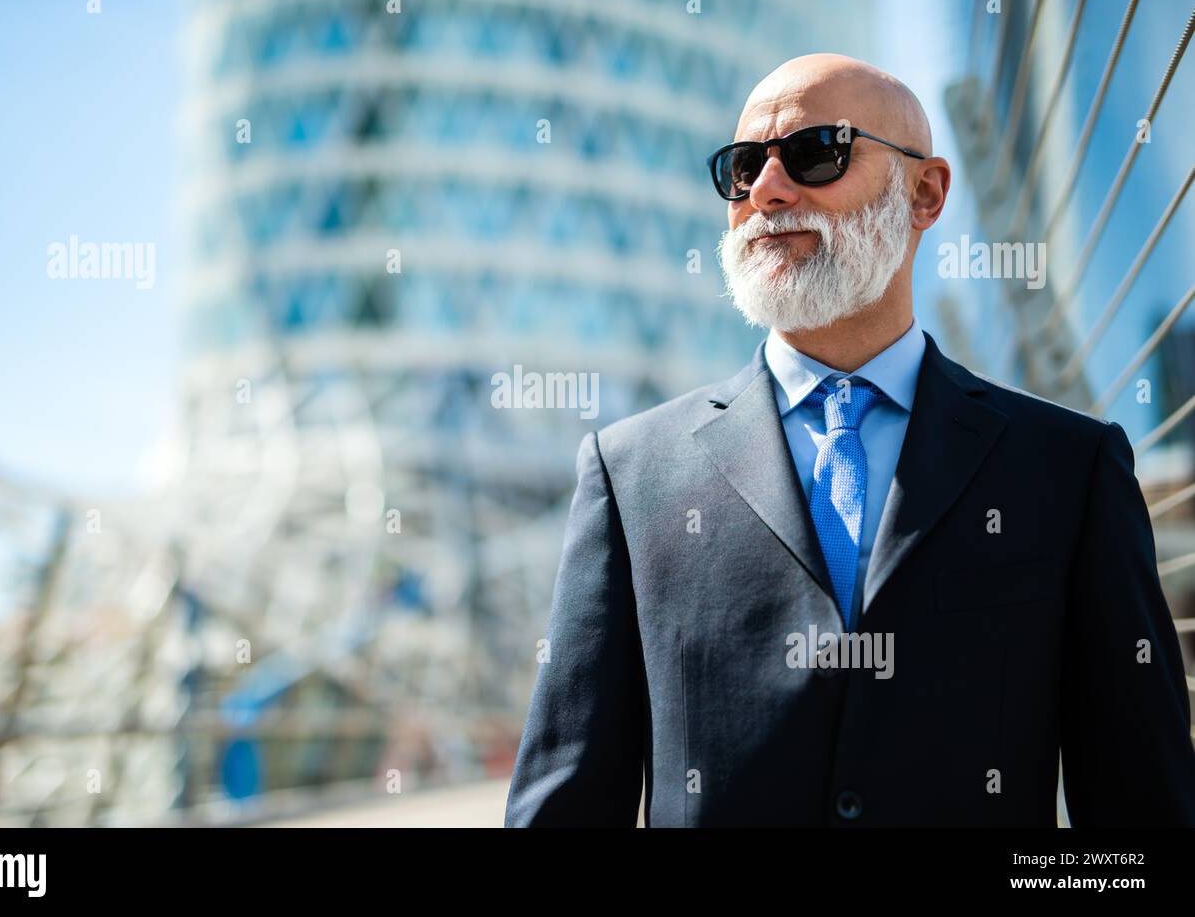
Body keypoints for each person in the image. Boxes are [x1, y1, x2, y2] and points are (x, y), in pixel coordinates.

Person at [503, 54, 1195, 826]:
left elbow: (1144, 810)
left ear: (925, 192)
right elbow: (564, 804)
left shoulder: (1069, 467)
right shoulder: (630, 474)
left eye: (815, 151)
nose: (765, 189)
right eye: (742, 168)